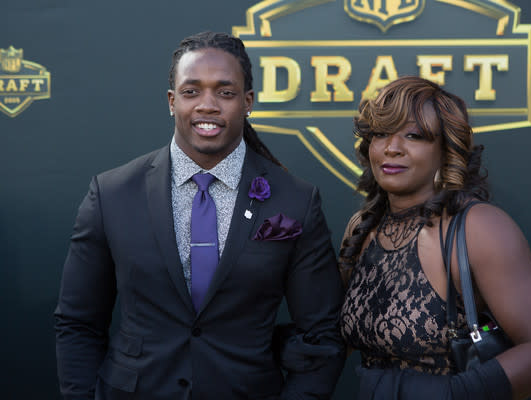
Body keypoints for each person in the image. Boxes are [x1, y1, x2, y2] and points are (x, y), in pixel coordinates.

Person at [54, 31, 345, 400]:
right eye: (192, 92)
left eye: (225, 92)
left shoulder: (296, 201)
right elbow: (78, 323)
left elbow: (321, 335)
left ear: (248, 102)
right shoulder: (111, 194)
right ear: (172, 101)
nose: (207, 105)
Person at [338, 76, 531, 399]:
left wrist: (450, 394)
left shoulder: (479, 227)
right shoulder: (362, 228)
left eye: (414, 135)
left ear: (445, 151)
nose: (392, 147)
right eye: (380, 134)